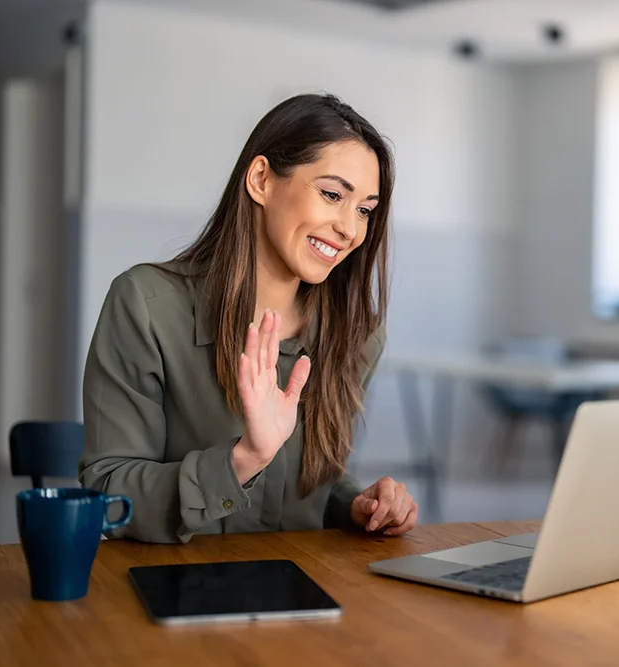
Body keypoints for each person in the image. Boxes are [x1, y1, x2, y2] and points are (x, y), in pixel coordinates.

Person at [79, 93, 417, 544]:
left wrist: (356, 504)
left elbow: (315, 485)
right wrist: (243, 460)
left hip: (305, 593)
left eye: (364, 210)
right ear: (261, 179)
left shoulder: (358, 334)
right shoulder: (146, 305)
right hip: (172, 587)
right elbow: (108, 492)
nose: (350, 230)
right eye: (332, 194)